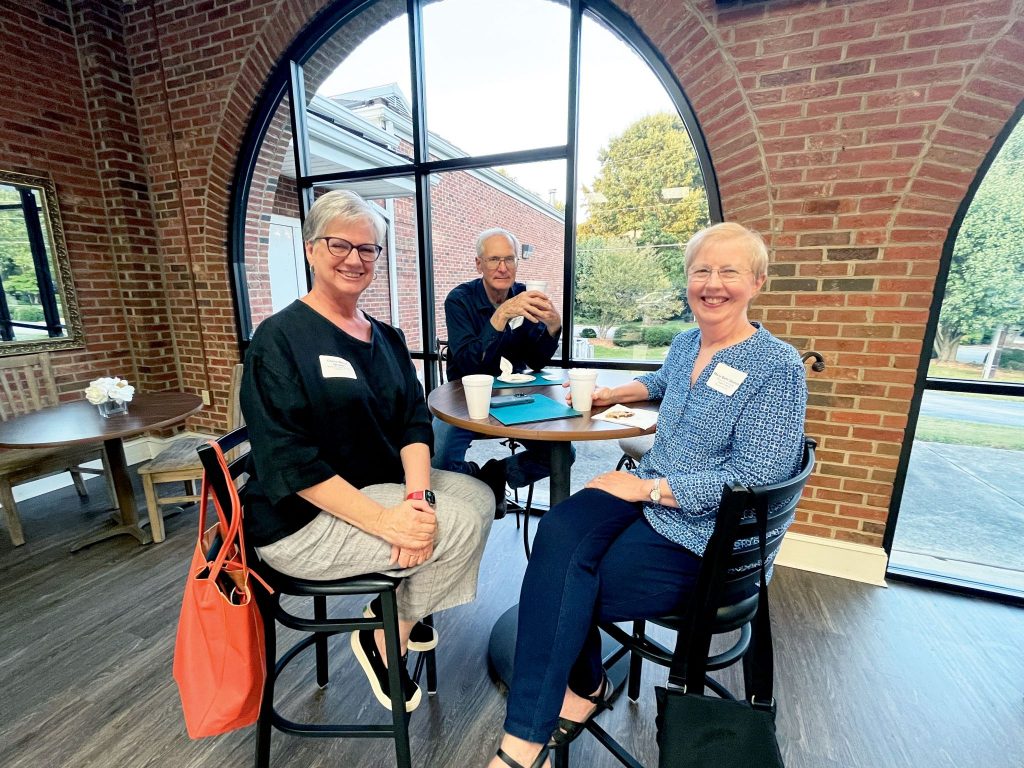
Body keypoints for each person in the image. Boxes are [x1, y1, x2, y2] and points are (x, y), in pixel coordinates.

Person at [488, 222, 808, 768]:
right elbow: (663, 383)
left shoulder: (776, 368)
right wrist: (613, 392)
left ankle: (526, 740)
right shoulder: (688, 344)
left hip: (704, 538)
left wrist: (650, 487)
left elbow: (754, 478)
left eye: (728, 271)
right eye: (701, 271)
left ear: (757, 281)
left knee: (566, 583)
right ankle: (583, 684)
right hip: (647, 497)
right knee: (558, 530)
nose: (712, 283)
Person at [240, 190, 494, 714]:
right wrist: (387, 523)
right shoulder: (279, 339)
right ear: (311, 250)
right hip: (299, 520)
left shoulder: (387, 337)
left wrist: (418, 499)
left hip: (371, 489)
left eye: (368, 249)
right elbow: (291, 460)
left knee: (478, 495)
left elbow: (412, 421)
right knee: (456, 528)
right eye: (340, 244)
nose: (355, 259)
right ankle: (384, 641)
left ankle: (404, 608)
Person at [433, 228, 572, 517]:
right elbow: (470, 365)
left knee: (562, 455)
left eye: (509, 259)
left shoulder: (526, 295)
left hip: (516, 394)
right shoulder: (459, 300)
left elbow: (536, 360)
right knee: (440, 459)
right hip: (465, 396)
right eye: (494, 259)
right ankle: (480, 482)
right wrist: (502, 315)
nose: (502, 267)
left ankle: (498, 473)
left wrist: (553, 327)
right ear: (478, 264)